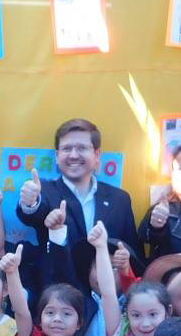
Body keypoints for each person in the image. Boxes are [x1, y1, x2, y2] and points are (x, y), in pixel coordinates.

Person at [14, 119, 143, 279]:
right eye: (67, 148)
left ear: (97, 155)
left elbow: (134, 252)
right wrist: (30, 202)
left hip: (108, 291)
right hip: (59, 291)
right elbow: (33, 214)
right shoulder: (45, 192)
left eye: (82, 148)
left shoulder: (120, 199)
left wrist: (125, 258)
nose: (74, 155)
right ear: (57, 155)